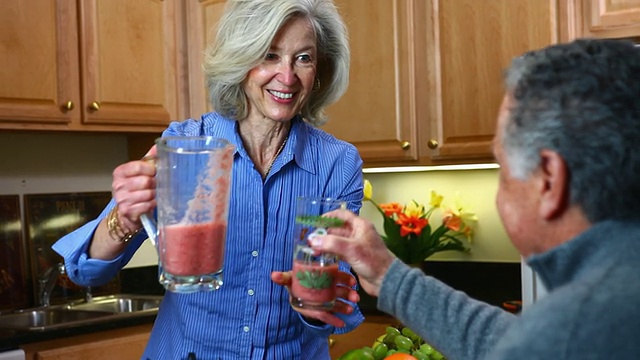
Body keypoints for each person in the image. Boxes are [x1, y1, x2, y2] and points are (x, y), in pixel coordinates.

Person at [53, 0, 364, 358]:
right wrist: (123, 219)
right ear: (240, 59)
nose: (288, 76)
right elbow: (85, 272)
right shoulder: (184, 145)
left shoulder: (336, 163)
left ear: (319, 69)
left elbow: (334, 291)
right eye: (269, 55)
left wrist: (322, 303)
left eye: (303, 58)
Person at [307, 38, 640, 359]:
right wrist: (388, 275)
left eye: (503, 168)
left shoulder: (579, 325)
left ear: (549, 181)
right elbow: (515, 342)